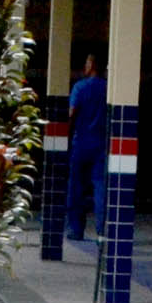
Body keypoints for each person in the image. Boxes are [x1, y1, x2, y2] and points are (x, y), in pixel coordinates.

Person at [64, 54, 106, 243]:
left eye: (87, 63)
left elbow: (72, 113)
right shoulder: (107, 88)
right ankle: (101, 230)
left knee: (77, 188)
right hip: (101, 145)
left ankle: (76, 229)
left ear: (92, 65)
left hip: (81, 143)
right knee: (100, 188)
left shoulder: (80, 87)